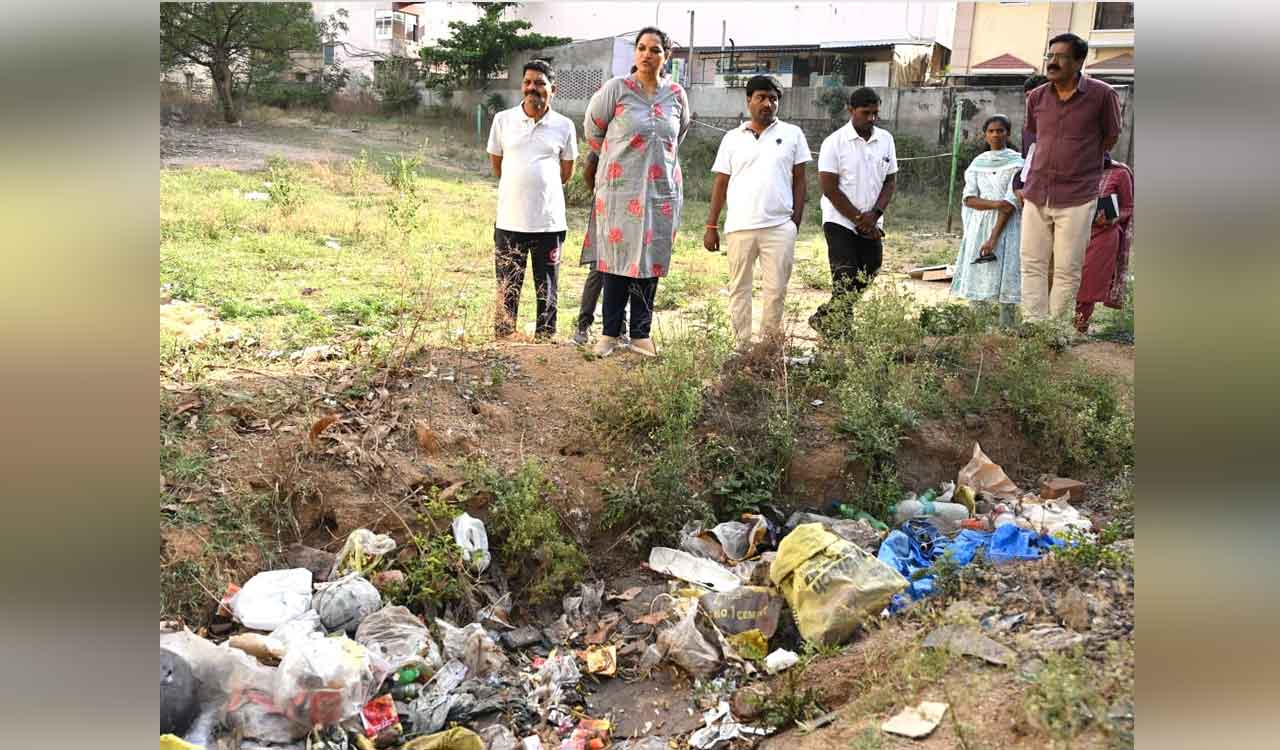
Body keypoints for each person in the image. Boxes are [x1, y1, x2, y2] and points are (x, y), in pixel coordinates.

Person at [580, 27, 691, 357]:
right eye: (641, 48)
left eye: (654, 50)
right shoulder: (617, 89)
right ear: (635, 54)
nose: (646, 54)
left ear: (666, 57)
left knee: (650, 259)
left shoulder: (676, 95)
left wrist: (652, 161)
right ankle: (610, 333)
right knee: (616, 259)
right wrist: (621, 162)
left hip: (661, 193)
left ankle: (641, 333)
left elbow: (677, 134)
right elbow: (593, 132)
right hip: (620, 191)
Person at [1019, 32, 1123, 325]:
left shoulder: (1102, 95)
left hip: (1077, 196)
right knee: (1032, 263)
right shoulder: (1037, 97)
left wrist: (1079, 163)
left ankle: (1055, 331)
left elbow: (1110, 137)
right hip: (1037, 192)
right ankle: (1033, 326)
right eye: (1049, 56)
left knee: (1067, 268)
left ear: (1078, 61)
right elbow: (1036, 137)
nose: (1052, 62)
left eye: (1061, 57)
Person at [704, 75, 810, 347]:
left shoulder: (792, 135)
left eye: (773, 99)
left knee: (775, 291)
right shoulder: (732, 138)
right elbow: (721, 182)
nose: (767, 103)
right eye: (761, 97)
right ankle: (741, 346)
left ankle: (768, 348)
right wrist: (711, 226)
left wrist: (794, 222)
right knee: (740, 289)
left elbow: (800, 180)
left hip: (779, 227)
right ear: (748, 100)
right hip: (740, 226)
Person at [486, 60, 578, 339]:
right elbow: (497, 165)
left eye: (539, 83)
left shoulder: (564, 126)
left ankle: (545, 340)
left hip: (548, 223)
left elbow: (566, 172)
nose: (532, 88)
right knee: (507, 284)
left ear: (553, 89)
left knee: (547, 287)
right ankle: (503, 336)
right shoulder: (503, 120)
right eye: (527, 82)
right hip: (510, 221)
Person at [810, 87, 898, 334]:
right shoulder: (834, 142)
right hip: (840, 219)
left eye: (875, 113)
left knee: (871, 268)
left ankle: (825, 316)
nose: (871, 118)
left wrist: (875, 215)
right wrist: (860, 220)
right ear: (851, 111)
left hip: (873, 219)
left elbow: (890, 181)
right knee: (845, 274)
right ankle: (840, 331)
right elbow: (829, 188)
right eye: (865, 112)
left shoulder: (886, 139)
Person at [571, 63, 641, 347]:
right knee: (600, 269)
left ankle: (619, 328)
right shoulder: (614, 130)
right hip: (609, 210)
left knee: (628, 269)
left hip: (637, 214)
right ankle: (583, 326)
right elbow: (589, 170)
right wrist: (603, 198)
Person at [948, 115, 1024, 327]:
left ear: (1008, 133)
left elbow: (1010, 203)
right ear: (985, 135)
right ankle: (977, 327)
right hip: (979, 225)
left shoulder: (1018, 163)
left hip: (1008, 225)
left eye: (1000, 130)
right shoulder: (977, 163)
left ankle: (1007, 327)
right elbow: (969, 198)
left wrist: (993, 237)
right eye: (991, 131)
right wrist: (994, 204)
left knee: (1007, 270)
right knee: (978, 270)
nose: (995, 135)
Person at [1074, 153, 1134, 333]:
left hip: (1103, 234)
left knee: (1088, 281)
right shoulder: (1075, 169)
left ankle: (1079, 326)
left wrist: (1111, 218)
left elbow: (1129, 207)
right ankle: (1058, 324)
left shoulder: (1119, 173)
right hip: (1072, 232)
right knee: (1066, 277)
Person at [1011, 74, 1047, 198]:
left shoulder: (1072, 124)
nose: (1031, 100)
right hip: (1034, 195)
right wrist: (1017, 187)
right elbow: (1027, 162)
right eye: (1027, 96)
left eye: (1036, 95)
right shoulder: (1027, 129)